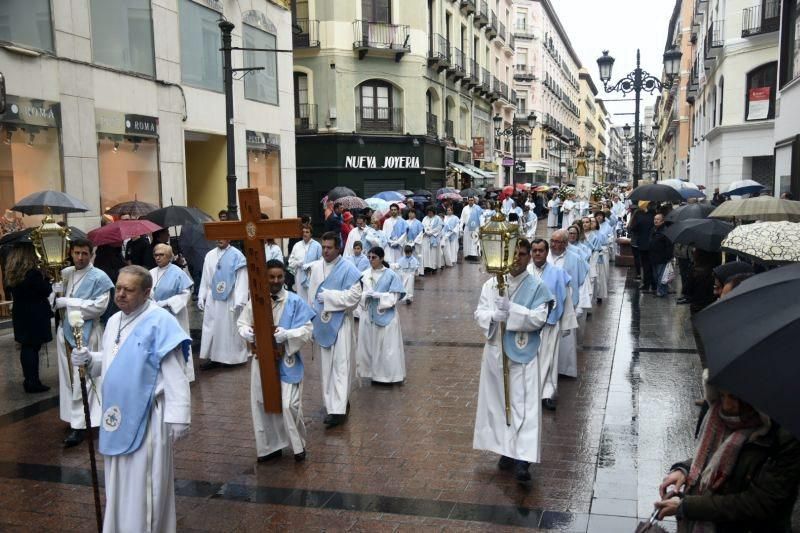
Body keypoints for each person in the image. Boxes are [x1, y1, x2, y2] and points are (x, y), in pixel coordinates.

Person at [69, 265, 191, 533]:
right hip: (116, 416)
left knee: (144, 486)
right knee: (118, 482)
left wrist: (179, 417)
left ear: (147, 293)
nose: (120, 294)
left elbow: (175, 373)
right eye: (119, 287)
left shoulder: (161, 322)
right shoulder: (114, 321)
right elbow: (115, 360)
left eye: (129, 290)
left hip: (147, 417)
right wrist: (91, 360)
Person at [654, 385, 800, 531]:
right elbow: (713, 459)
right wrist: (684, 470)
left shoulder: (783, 438)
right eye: (722, 395)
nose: (726, 406)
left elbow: (760, 503)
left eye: (733, 397)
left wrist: (687, 506)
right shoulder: (719, 417)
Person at [473, 238, 553, 484]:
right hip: (497, 352)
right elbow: (479, 312)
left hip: (523, 355)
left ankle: (524, 459)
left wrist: (513, 311)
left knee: (524, 405)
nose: (517, 259)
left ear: (529, 257)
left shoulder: (537, 287)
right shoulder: (492, 284)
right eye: (513, 254)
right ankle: (506, 451)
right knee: (499, 403)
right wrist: (494, 316)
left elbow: (539, 319)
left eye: (522, 254)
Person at [237, 260, 315, 463]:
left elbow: (307, 330)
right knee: (262, 403)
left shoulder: (295, 301)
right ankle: (269, 447)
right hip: (261, 360)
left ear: (284, 277)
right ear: (265, 277)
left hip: (286, 359)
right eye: (271, 277)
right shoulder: (256, 300)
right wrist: (247, 332)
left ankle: (299, 445)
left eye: (279, 276)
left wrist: (287, 334)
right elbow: (242, 323)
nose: (275, 281)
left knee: (289, 405)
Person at [53, 238, 114, 447]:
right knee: (69, 379)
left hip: (88, 333)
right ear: (71, 253)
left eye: (84, 254)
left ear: (91, 255)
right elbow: (54, 302)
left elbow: (99, 307)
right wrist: (54, 292)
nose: (80, 257)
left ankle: (80, 425)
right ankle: (72, 416)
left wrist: (68, 302)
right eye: (77, 253)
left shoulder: (100, 278)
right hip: (65, 333)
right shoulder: (66, 273)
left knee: (85, 379)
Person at [306, 232, 363, 427]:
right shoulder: (316, 268)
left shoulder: (348, 268)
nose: (325, 251)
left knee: (341, 365)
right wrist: (311, 322)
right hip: (322, 323)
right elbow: (311, 297)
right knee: (326, 368)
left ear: (338, 248)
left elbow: (355, 297)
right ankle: (331, 405)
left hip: (341, 323)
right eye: (323, 247)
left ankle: (339, 410)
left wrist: (330, 297)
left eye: (329, 247)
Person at [528, 239, 574, 411]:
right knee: (530, 359)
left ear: (547, 252)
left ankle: (547, 393)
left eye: (541, 250)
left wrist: (567, 323)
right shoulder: (525, 272)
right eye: (534, 250)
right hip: (529, 324)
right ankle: (530, 392)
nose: (537, 253)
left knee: (549, 359)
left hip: (549, 323)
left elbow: (566, 298)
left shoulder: (558, 273)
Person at [356, 246, 407, 385]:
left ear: (381, 258)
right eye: (369, 257)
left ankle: (389, 376)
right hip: (369, 315)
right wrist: (364, 296)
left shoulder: (391, 275)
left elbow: (395, 296)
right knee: (370, 346)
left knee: (387, 347)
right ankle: (374, 374)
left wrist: (381, 296)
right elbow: (358, 294)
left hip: (387, 316)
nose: (371, 260)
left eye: (374, 257)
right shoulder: (365, 274)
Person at [7, 244, 53, 393]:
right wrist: (46, 277)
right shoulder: (32, 273)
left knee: (26, 347)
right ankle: (33, 382)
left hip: (21, 313)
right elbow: (46, 290)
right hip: (35, 315)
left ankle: (29, 380)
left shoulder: (13, 272)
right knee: (32, 348)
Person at [198, 238, 249, 370]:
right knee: (212, 327)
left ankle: (230, 358)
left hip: (229, 298)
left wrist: (240, 300)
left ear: (229, 238)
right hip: (212, 298)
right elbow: (205, 277)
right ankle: (213, 358)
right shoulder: (209, 255)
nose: (219, 239)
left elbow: (242, 279)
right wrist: (201, 295)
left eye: (223, 236)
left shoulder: (237, 256)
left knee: (227, 328)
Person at [150, 243, 195, 381]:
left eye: (161, 255)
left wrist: (168, 303)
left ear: (169, 256)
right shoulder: (151, 273)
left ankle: (183, 374)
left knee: (177, 344)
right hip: (157, 314)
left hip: (175, 315)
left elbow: (185, 293)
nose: (158, 258)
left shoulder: (177, 272)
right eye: (156, 255)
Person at [548, 229, 588, 380]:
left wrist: (577, 304)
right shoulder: (545, 256)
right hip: (546, 304)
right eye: (552, 241)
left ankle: (565, 369)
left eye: (557, 242)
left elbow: (580, 281)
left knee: (565, 339)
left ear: (565, 244)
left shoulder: (574, 258)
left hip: (566, 303)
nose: (553, 244)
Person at [288, 225, 322, 303]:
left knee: (311, 297)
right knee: (300, 297)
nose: (305, 234)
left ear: (311, 234)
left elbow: (321, 261)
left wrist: (310, 265)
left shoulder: (317, 246)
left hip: (311, 275)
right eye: (303, 232)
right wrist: (297, 263)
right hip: (299, 275)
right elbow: (290, 261)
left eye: (307, 232)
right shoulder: (297, 245)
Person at [629, 202, 655, 292]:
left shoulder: (640, 216)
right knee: (651, 265)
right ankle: (654, 284)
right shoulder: (654, 214)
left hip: (643, 243)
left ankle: (647, 284)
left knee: (646, 265)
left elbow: (632, 227)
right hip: (653, 243)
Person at [649, 213, 673, 298]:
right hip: (653, 257)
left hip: (662, 257)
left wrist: (668, 257)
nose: (655, 221)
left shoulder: (665, 231)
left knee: (661, 276)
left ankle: (661, 291)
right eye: (655, 219)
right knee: (656, 276)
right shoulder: (653, 229)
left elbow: (669, 245)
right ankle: (661, 290)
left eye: (658, 219)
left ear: (662, 221)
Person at [421, 206, 443, 273]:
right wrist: (426, 232)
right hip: (426, 238)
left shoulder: (438, 218)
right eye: (428, 212)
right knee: (426, 252)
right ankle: (427, 267)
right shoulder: (425, 218)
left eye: (431, 212)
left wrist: (431, 232)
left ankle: (434, 267)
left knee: (433, 253)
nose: (429, 214)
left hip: (434, 238)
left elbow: (439, 227)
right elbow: (423, 226)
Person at [460, 197, 483, 261]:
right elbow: (462, 218)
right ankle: (468, 255)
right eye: (469, 200)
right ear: (468, 201)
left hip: (475, 227)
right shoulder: (465, 208)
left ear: (474, 201)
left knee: (474, 241)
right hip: (467, 227)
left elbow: (481, 218)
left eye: (472, 200)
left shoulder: (477, 208)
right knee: (467, 241)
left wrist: (481, 226)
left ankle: (474, 255)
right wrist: (461, 227)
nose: (471, 201)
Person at [405, 209, 425, 275]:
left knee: (417, 257)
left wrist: (415, 242)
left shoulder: (418, 223)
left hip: (416, 243)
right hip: (407, 242)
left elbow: (421, 233)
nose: (410, 214)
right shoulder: (405, 222)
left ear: (415, 214)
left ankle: (418, 271)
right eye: (409, 213)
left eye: (412, 213)